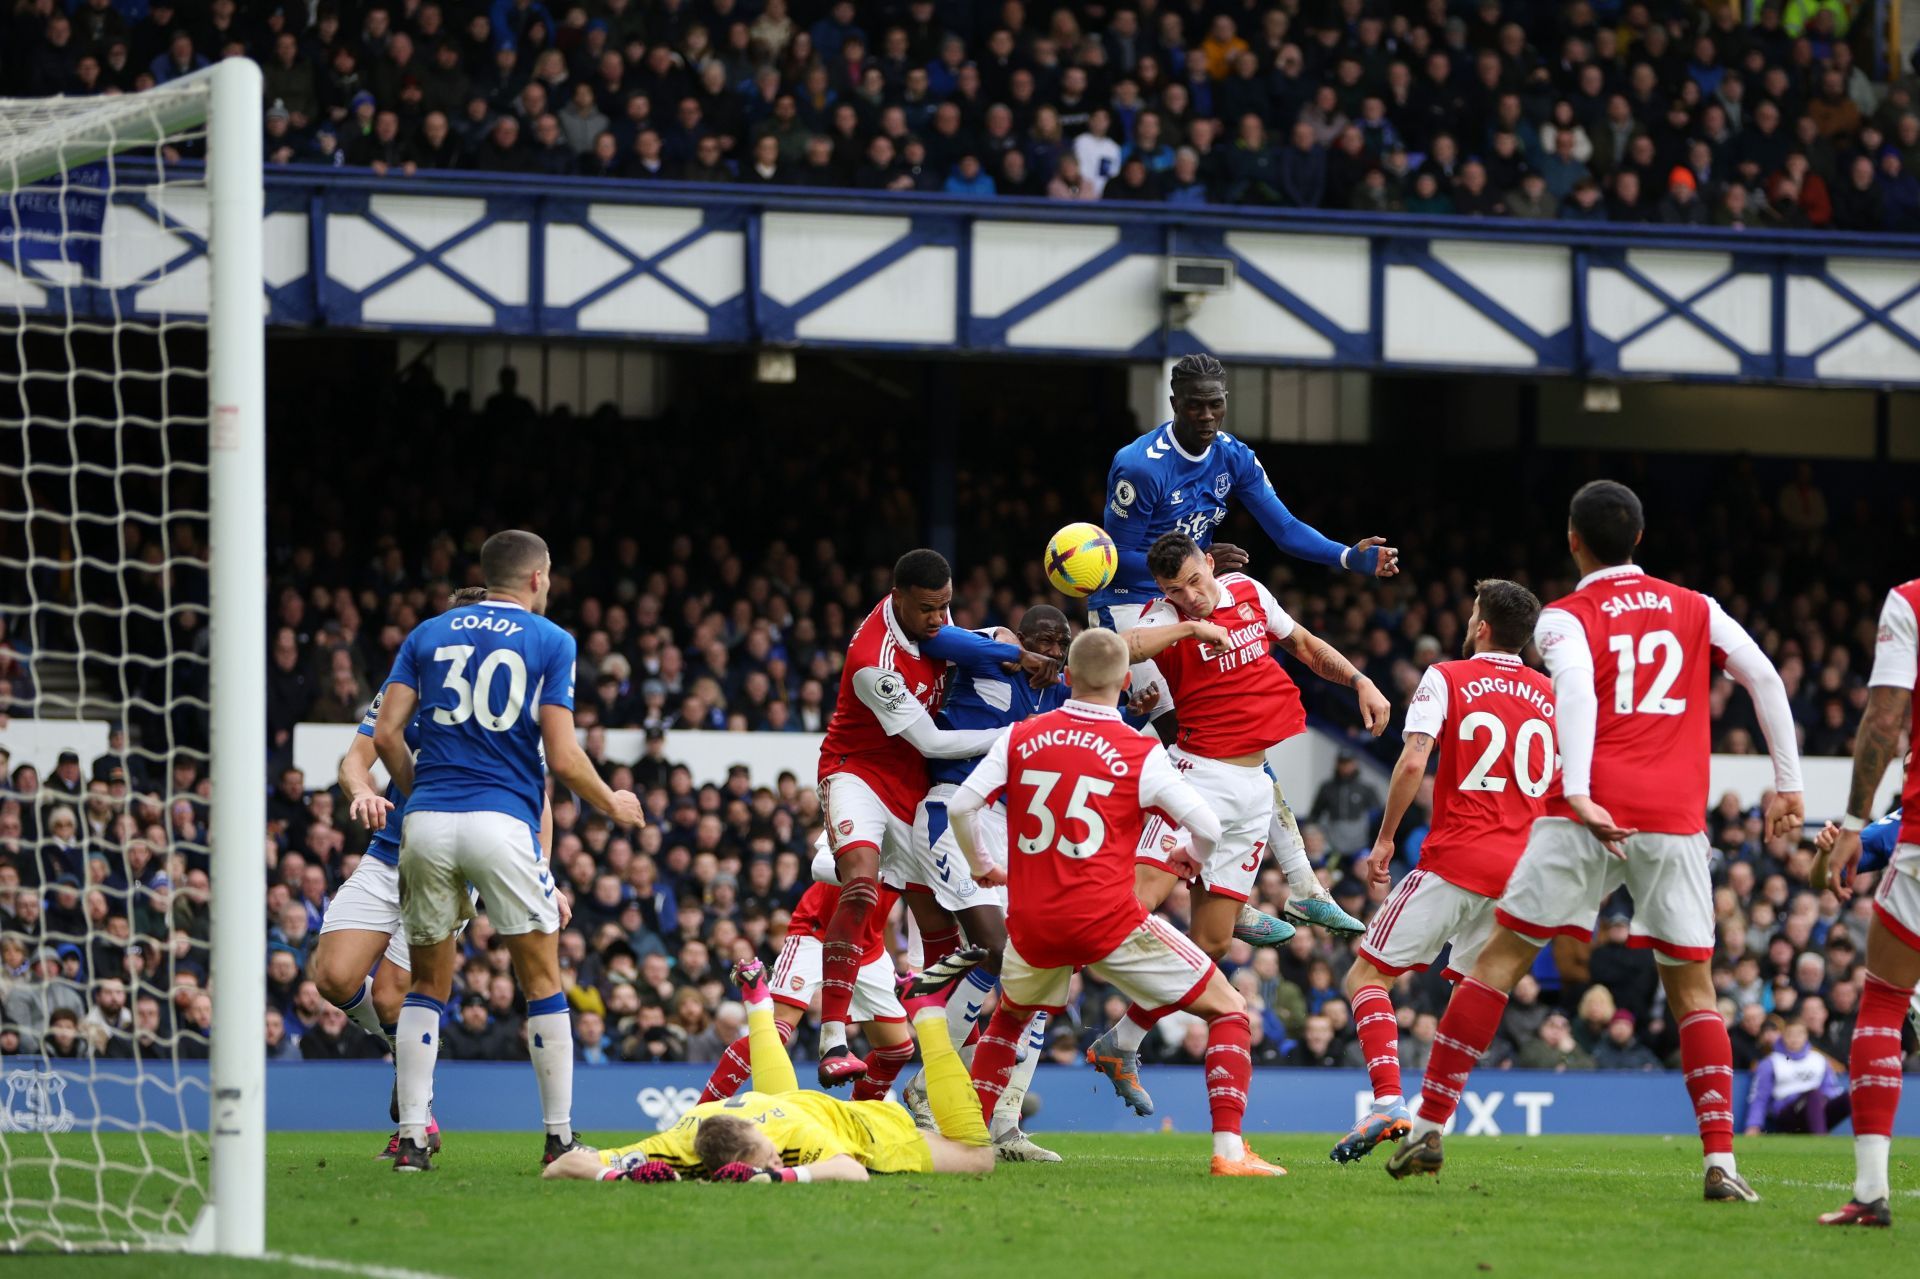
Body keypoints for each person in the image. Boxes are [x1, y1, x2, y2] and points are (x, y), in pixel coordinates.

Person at [1386, 480, 1804, 1206]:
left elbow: (1575, 688)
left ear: (1572, 539)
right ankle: (1721, 1160)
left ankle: (1429, 1124)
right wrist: (1789, 783)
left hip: (1586, 813)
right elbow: (1764, 675)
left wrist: (1577, 787)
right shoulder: (1695, 606)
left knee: (1501, 959)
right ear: (1639, 539)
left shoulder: (1566, 616)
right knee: (1694, 990)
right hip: (1674, 820)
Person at [947, 628, 1284, 1176]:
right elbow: (1206, 823)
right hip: (1107, 921)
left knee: (1009, 1018)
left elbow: (963, 807)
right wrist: (1190, 854)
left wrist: (982, 864)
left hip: (1032, 919)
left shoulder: (1021, 736)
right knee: (1229, 1008)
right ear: (1127, 680)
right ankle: (1229, 1153)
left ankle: (968, 1145)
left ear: (1068, 677)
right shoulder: (1139, 749)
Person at [1087, 352, 1397, 944]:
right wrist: (1192, 557)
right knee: (1190, 740)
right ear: (1174, 403)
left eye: (1216, 403)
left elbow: (1284, 528)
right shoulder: (1139, 466)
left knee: (1235, 743)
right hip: (1135, 606)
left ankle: (1295, 889)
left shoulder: (1232, 454)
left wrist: (1347, 558)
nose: (1207, 414)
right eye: (1196, 404)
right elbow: (1111, 561)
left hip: (1195, 587)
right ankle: (1228, 888)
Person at [373, 530, 644, 1172]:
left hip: (428, 822)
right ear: (537, 577)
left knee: (427, 985)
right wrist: (613, 804)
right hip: (503, 823)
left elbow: (386, 733)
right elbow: (564, 756)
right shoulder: (552, 641)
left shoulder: (428, 634)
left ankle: (413, 1141)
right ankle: (558, 1138)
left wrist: (424, 796)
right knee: (542, 980)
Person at [808, 549, 1050, 1088]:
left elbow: (970, 637)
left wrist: (1007, 643)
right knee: (863, 889)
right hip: (859, 775)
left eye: (946, 606)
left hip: (913, 793)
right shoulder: (875, 661)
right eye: (929, 609)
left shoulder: (928, 625)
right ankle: (831, 1040)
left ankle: (930, 1059)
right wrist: (1015, 737)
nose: (940, 619)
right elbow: (931, 741)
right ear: (897, 598)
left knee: (944, 933)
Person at [1331, 579, 1554, 1164]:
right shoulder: (1552, 695)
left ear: (1481, 627)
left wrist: (1385, 841)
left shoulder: (1447, 676)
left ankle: (1389, 1102)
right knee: (1469, 999)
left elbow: (1412, 759)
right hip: (1520, 876)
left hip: (1456, 858)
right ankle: (1433, 1125)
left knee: (1365, 978)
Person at [1117, 532, 1389, 985]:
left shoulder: (1249, 591)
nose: (1191, 596)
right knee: (1138, 900)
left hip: (1254, 789)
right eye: (1174, 589)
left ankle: (1123, 1041)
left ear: (1209, 562)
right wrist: (1188, 626)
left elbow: (1303, 644)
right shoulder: (1164, 616)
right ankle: (1048, 974)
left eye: (1194, 580)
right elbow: (1122, 647)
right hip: (1195, 776)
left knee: (1214, 943)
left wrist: (1360, 680)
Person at [315, 587, 506, 1156]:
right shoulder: (406, 685)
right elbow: (355, 757)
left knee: (400, 998)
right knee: (332, 976)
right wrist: (361, 791)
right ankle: (407, 1050)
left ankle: (415, 1126)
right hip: (387, 852)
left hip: (448, 866)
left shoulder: (500, 697)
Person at [544, 953, 993, 1182]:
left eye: (768, 1155)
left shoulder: (789, 1141)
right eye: (769, 1161)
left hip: (866, 1127)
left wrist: (779, 1176)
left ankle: (928, 1012)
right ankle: (759, 1003)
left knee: (979, 1156)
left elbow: (851, 1171)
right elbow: (562, 1166)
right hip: (788, 1102)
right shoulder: (682, 1140)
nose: (774, 1160)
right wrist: (615, 1174)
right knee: (779, 1099)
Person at [901, 605, 1072, 1161]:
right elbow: (938, 638)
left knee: (1040, 970)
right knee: (997, 952)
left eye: (1060, 643)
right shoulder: (989, 660)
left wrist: (1137, 715)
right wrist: (1012, 651)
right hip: (951, 812)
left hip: (1011, 831)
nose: (1051, 651)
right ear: (1022, 638)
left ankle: (1006, 1122)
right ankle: (927, 1086)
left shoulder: (1058, 696)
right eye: (1041, 641)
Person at [1815, 573, 1920, 1227]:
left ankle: (1872, 1192)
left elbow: (1884, 716)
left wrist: (1855, 822)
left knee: (1884, 997)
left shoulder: (1910, 600)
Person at [697, 845, 912, 1105]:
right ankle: (700, 1114)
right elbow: (820, 864)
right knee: (774, 1031)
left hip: (868, 945)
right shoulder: (865, 806)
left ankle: (854, 1123)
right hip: (816, 932)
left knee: (897, 1049)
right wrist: (872, 870)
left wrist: (918, 965)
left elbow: (923, 897)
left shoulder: (920, 830)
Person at [1746, 1019, 1848, 1134]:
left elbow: (1830, 1089)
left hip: (1818, 1107)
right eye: (1790, 1034)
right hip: (1788, 1113)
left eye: (1799, 1034)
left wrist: (1824, 1101)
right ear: (1783, 1036)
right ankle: (1820, 1139)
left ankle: (1866, 1137)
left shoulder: (1819, 1059)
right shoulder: (1771, 1062)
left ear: (1806, 1036)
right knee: (1812, 1094)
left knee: (1850, 1096)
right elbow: (1760, 1097)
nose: (1795, 1039)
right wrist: (1753, 1125)